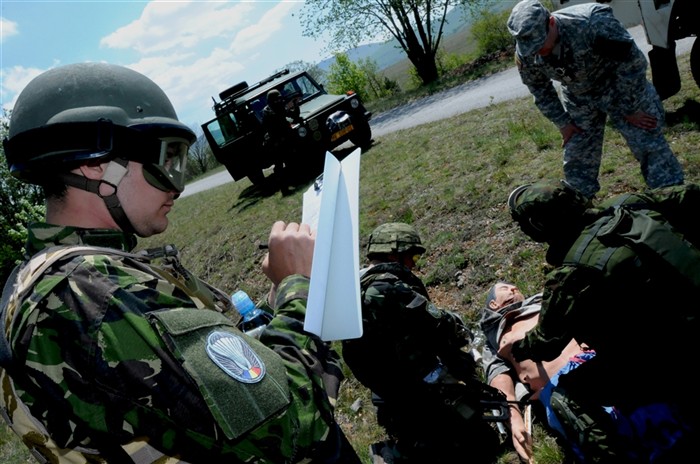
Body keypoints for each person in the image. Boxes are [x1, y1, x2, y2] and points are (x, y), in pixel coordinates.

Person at [0, 62, 360, 463]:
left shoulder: (48, 281)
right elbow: (292, 424)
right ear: (96, 164)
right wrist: (299, 286)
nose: (177, 184)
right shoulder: (94, 295)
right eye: (166, 159)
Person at [506, 179, 700, 461]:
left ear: (537, 227)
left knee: (567, 396)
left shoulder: (573, 274)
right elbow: (691, 194)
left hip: (675, 361)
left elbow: (545, 345)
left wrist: (519, 348)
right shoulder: (635, 204)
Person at [341, 222, 505, 463]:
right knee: (482, 443)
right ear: (393, 254)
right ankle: (396, 454)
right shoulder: (386, 288)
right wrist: (458, 328)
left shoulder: (354, 287)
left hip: (389, 383)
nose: (414, 263)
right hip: (413, 382)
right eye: (412, 255)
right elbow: (440, 324)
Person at [506, 0, 684, 199]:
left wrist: (631, 107)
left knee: (647, 140)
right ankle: (578, 209)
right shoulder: (527, 49)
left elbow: (632, 63)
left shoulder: (592, 23)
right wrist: (563, 123)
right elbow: (539, 88)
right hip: (579, 95)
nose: (537, 51)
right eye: (531, 47)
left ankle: (673, 197)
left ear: (552, 22)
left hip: (619, 87)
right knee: (577, 154)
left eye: (540, 44)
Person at [480, 282, 542, 463]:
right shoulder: (494, 336)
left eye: (515, 287)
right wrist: (514, 418)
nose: (513, 288)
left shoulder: (544, 300)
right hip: (561, 388)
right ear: (493, 305)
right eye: (504, 288)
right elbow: (497, 373)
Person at [261, 88, 301, 194]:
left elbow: (293, 115)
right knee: (279, 167)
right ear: (272, 101)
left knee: (291, 161)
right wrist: (284, 109)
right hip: (276, 143)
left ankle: (294, 182)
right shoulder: (268, 111)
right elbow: (276, 120)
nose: (279, 101)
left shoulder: (278, 108)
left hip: (284, 140)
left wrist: (295, 104)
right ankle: (284, 189)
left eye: (280, 99)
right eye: (277, 100)